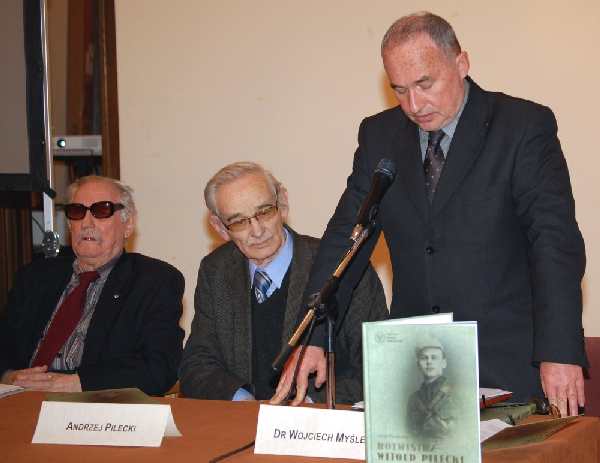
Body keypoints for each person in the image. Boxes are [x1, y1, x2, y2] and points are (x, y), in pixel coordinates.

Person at [273, 12, 586, 417]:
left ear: (461, 63)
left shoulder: (522, 126)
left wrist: (559, 350)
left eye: (425, 84)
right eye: (400, 90)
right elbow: (346, 236)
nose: (414, 105)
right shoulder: (379, 135)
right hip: (417, 366)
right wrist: (312, 336)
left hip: (508, 362)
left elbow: (553, 243)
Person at [179, 162, 387, 403]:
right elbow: (196, 364)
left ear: (283, 204)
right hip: (243, 418)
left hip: (319, 419)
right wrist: (243, 402)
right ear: (220, 228)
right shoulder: (216, 270)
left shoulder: (344, 266)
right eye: (239, 222)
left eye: (265, 211)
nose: (257, 231)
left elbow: (379, 368)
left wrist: (305, 404)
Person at [0, 176, 184, 396]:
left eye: (101, 210)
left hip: (93, 405)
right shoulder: (35, 277)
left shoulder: (154, 281)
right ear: (70, 225)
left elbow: (159, 368)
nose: (86, 223)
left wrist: (75, 384)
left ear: (128, 225)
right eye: (77, 211)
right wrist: (9, 377)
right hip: (19, 401)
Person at [407, 337, 456, 439]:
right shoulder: (413, 399)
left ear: (444, 363)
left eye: (434, 357)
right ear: (418, 365)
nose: (429, 362)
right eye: (424, 358)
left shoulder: (457, 394)